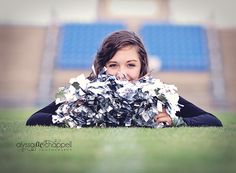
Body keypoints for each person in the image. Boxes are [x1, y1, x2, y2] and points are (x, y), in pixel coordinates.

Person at [26, 30, 223, 127]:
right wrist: (74, 117)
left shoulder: (158, 94)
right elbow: (34, 119)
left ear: (142, 67)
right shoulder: (86, 92)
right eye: (113, 65)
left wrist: (177, 121)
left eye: (131, 65)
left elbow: (212, 120)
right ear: (102, 67)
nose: (122, 73)